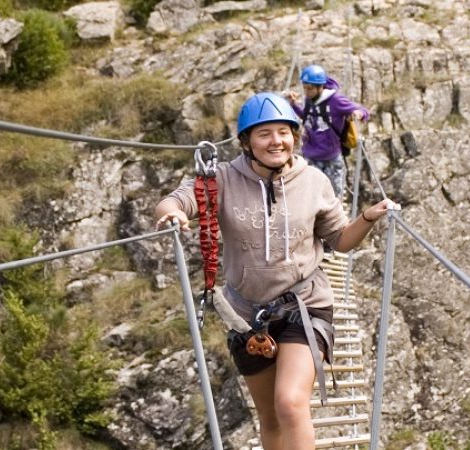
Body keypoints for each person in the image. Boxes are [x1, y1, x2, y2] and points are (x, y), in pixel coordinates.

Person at [154, 92, 396, 450]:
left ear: (294, 137)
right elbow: (177, 199)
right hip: (246, 316)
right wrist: (171, 213)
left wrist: (367, 218)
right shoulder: (221, 179)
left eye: (283, 132)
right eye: (264, 133)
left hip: (305, 304)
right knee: (269, 417)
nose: (276, 141)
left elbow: (340, 241)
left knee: (290, 402)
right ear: (247, 142)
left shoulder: (314, 181)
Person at [284, 64, 369, 200]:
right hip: (311, 155)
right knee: (312, 195)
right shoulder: (310, 99)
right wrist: (294, 105)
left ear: (320, 87)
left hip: (331, 157)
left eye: (309, 88)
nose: (306, 91)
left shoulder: (335, 100)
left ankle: (335, 220)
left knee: (334, 196)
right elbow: (308, 118)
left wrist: (357, 114)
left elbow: (364, 111)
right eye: (304, 87)